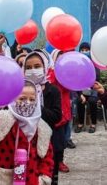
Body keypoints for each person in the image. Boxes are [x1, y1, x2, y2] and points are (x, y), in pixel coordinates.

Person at [23, 50, 62, 185]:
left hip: (49, 143)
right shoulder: (20, 90)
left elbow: (56, 116)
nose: (32, 71)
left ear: (45, 66)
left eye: (37, 66)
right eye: (28, 68)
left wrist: (36, 105)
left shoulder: (53, 90)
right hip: (26, 144)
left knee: (48, 177)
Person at [48, 49, 72, 173]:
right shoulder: (50, 73)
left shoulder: (68, 73)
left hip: (65, 110)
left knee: (61, 141)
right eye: (59, 57)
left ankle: (60, 161)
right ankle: (52, 162)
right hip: (53, 111)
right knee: (52, 141)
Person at [75, 42, 100, 133]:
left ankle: (93, 124)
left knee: (93, 101)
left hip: (93, 91)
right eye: (82, 50)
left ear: (90, 51)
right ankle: (80, 123)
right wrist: (80, 94)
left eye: (86, 50)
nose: (84, 52)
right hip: (82, 91)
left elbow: (97, 79)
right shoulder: (78, 65)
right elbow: (76, 82)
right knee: (79, 101)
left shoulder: (95, 64)